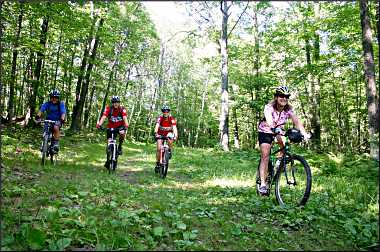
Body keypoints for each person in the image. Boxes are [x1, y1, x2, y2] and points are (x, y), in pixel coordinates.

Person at [257, 85, 310, 195]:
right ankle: (262, 184)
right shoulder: (269, 107)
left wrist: (304, 133)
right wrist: (273, 127)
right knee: (265, 155)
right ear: (276, 97)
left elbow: (297, 122)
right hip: (265, 130)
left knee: (286, 143)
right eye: (281, 96)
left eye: (287, 96)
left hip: (279, 131)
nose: (284, 98)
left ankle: (279, 161)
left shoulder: (288, 109)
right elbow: (269, 119)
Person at [96, 96, 128, 168]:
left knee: (122, 134)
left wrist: (126, 125)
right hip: (111, 127)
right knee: (109, 144)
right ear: (112, 103)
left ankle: (119, 146)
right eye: (114, 102)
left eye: (117, 102)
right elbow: (104, 116)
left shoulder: (122, 109)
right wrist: (99, 124)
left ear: (119, 103)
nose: (116, 104)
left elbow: (125, 118)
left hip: (120, 127)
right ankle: (108, 160)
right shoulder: (109, 109)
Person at [154, 105, 178, 172]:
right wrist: (155, 133)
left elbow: (174, 128)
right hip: (160, 134)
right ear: (162, 112)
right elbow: (157, 125)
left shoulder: (171, 119)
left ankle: (169, 151)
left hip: (168, 134)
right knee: (159, 149)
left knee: (170, 139)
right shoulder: (160, 118)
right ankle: (158, 163)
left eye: (167, 111)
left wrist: (175, 135)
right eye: (164, 111)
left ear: (169, 112)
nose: (165, 112)